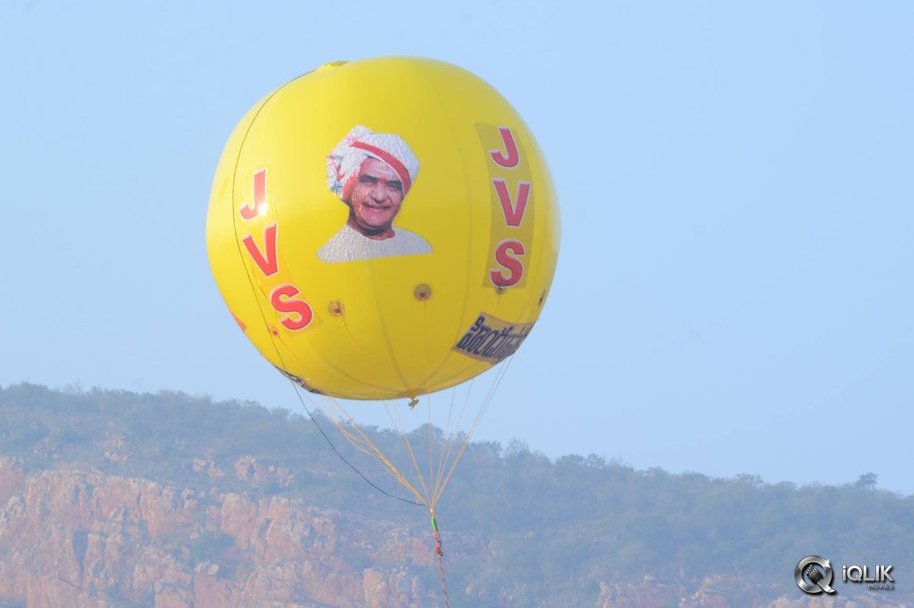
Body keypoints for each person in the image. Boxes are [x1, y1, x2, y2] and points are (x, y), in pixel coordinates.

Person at [318, 125, 431, 263]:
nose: (379, 196)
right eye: (368, 181)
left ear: (403, 194)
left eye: (393, 186)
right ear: (349, 185)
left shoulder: (418, 247)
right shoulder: (330, 255)